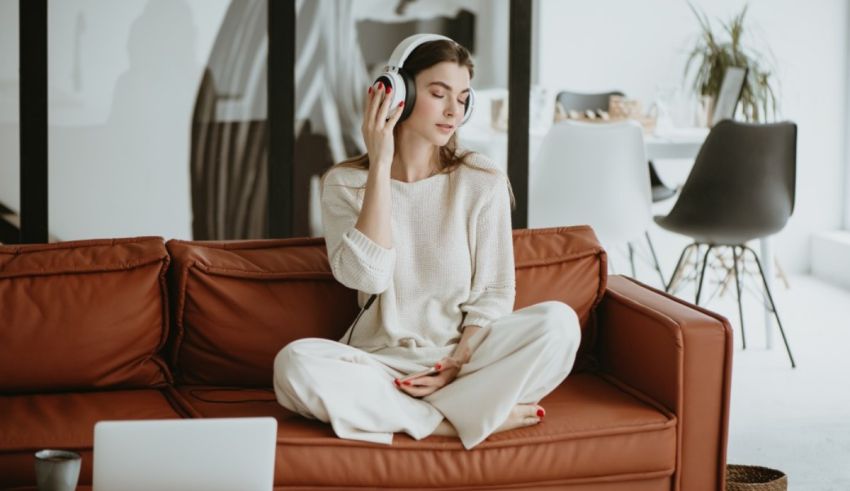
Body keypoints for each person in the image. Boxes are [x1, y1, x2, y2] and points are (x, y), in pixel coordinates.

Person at [273, 34, 581, 450]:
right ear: (398, 93)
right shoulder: (345, 184)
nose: (454, 110)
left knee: (559, 324)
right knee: (294, 364)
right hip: (382, 363)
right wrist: (380, 163)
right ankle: (457, 422)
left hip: (465, 360)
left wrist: (459, 360)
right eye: (439, 94)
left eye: (463, 98)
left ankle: (423, 410)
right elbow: (367, 275)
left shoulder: (480, 179)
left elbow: (494, 292)